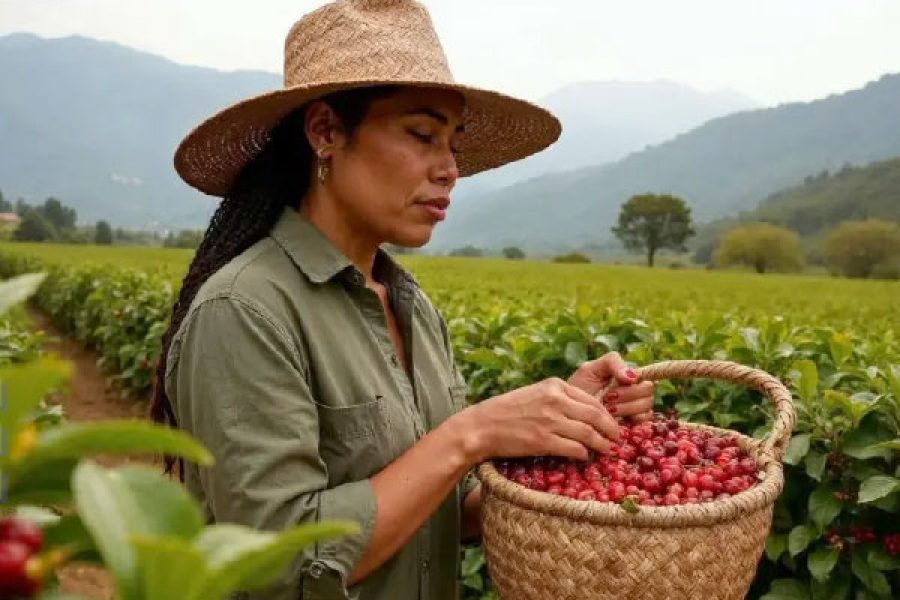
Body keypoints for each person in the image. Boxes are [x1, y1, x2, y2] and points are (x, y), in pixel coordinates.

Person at [151, 1, 655, 598]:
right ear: (325, 132)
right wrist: (471, 434)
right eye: (421, 135)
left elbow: (439, 513)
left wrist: (552, 437)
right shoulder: (246, 310)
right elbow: (278, 562)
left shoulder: (409, 305)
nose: (448, 170)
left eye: (453, 143)